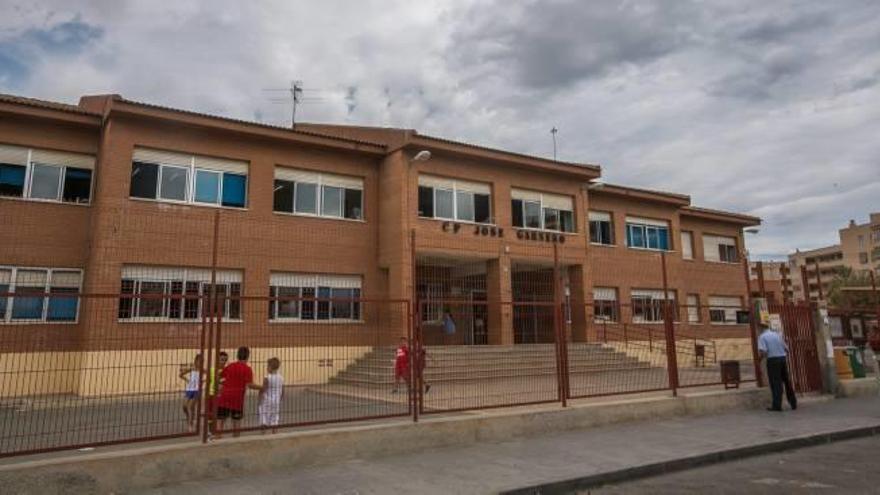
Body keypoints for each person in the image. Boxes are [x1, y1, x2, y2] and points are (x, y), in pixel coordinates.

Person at [215, 347, 262, 438]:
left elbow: (218, 376)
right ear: (248, 356)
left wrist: (221, 385)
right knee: (236, 423)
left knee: (220, 421)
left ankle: (217, 441)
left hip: (225, 396)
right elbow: (250, 385)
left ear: (237, 355)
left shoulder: (230, 366)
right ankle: (235, 442)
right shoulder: (247, 369)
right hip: (237, 399)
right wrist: (262, 388)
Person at [758, 324, 797, 412]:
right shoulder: (777, 335)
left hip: (773, 361)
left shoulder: (762, 337)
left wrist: (759, 360)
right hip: (782, 359)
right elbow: (786, 349)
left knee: (776, 383)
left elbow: (763, 352)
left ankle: (777, 405)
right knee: (787, 381)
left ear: (761, 329)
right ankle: (793, 402)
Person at [258, 357, 284, 434]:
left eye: (267, 366)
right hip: (276, 401)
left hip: (267, 400)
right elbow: (283, 391)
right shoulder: (281, 378)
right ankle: (274, 433)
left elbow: (263, 389)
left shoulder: (267, 377)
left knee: (263, 415)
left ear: (270, 367)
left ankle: (263, 433)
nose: (267, 368)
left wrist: (259, 398)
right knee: (275, 417)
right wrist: (280, 399)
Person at [206, 351, 228, 437]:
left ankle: (219, 433)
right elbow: (208, 382)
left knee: (221, 416)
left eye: (225, 360)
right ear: (217, 360)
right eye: (222, 360)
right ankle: (210, 432)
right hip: (212, 395)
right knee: (211, 416)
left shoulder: (227, 370)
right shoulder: (212, 369)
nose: (224, 362)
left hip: (222, 396)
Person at [179, 353, 203, 432]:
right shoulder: (192, 368)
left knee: (191, 407)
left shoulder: (202, 370)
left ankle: (190, 424)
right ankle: (189, 418)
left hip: (197, 390)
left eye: (202, 361)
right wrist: (187, 380)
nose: (200, 363)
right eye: (199, 361)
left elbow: (210, 376)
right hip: (189, 389)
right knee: (184, 406)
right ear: (195, 361)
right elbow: (181, 375)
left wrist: (203, 381)